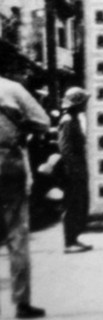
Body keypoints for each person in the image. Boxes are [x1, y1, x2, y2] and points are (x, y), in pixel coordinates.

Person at [0, 75, 50, 318]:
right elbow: (42, 122)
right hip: (8, 163)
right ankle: (22, 302)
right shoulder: (12, 89)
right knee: (17, 234)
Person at [58, 87, 92, 254]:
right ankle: (69, 241)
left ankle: (74, 238)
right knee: (73, 204)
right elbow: (65, 148)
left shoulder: (74, 119)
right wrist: (73, 169)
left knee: (79, 203)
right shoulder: (68, 120)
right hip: (72, 169)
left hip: (77, 167)